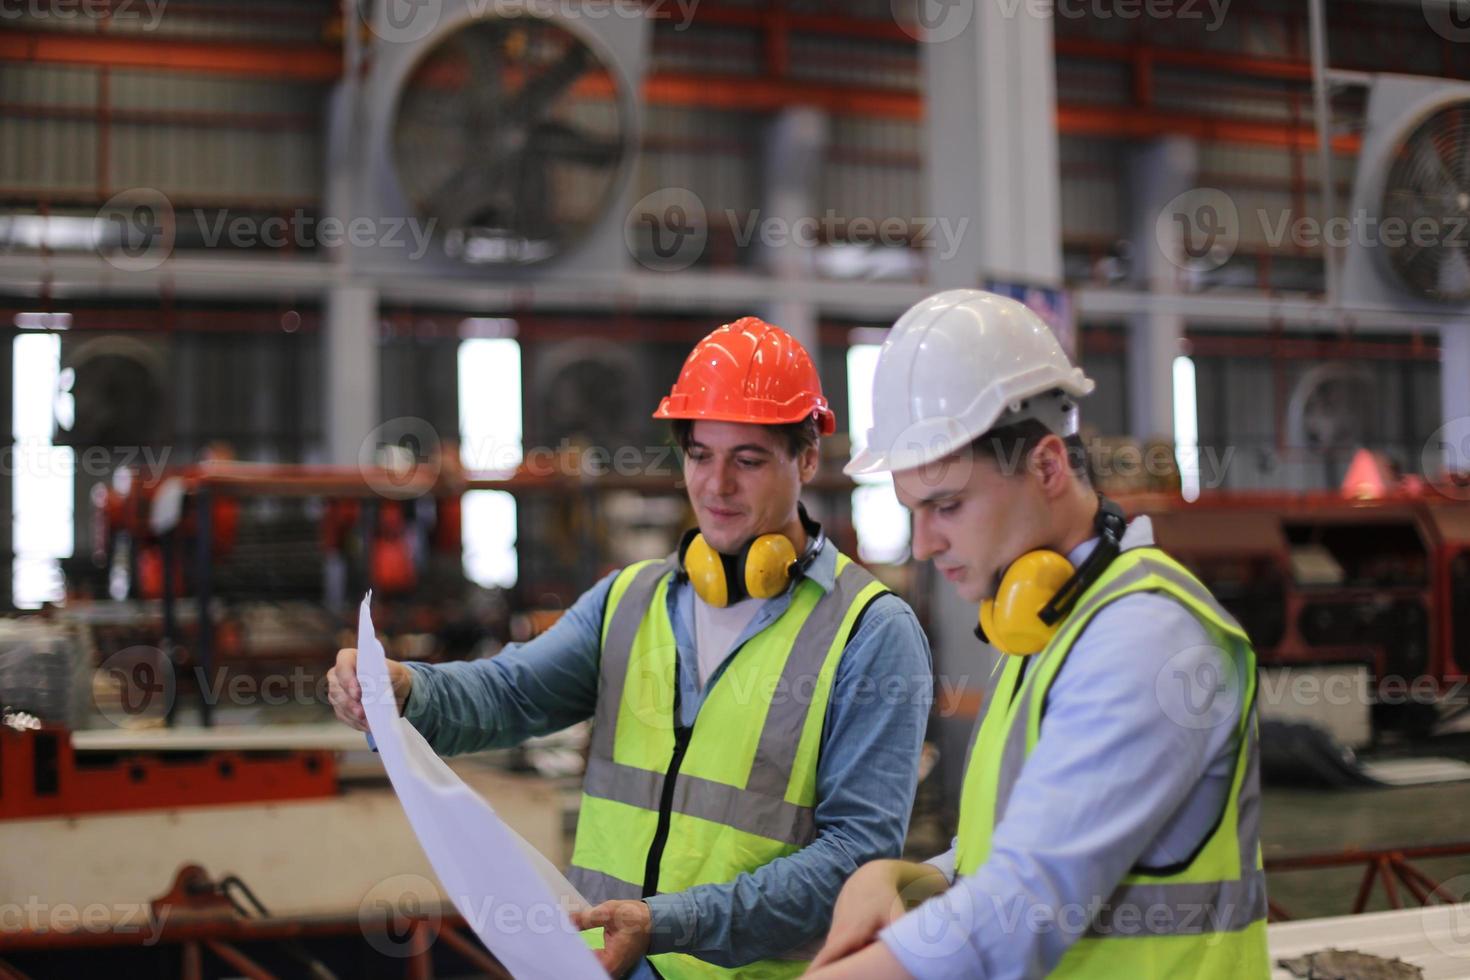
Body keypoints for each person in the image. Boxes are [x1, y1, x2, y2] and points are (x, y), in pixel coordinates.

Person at [328, 317, 932, 978]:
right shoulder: (631, 601)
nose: (716, 485)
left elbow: (856, 859)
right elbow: (511, 693)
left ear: (808, 458)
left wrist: (665, 923)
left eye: (748, 460)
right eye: (700, 454)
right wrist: (406, 689)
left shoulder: (870, 633)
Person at [807, 290, 1268, 979]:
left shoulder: (1147, 641)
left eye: (948, 505)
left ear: (1048, 467)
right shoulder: (1049, 624)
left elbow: (1025, 906)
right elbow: (1017, 855)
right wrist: (915, 879)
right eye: (912, 510)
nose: (925, 543)